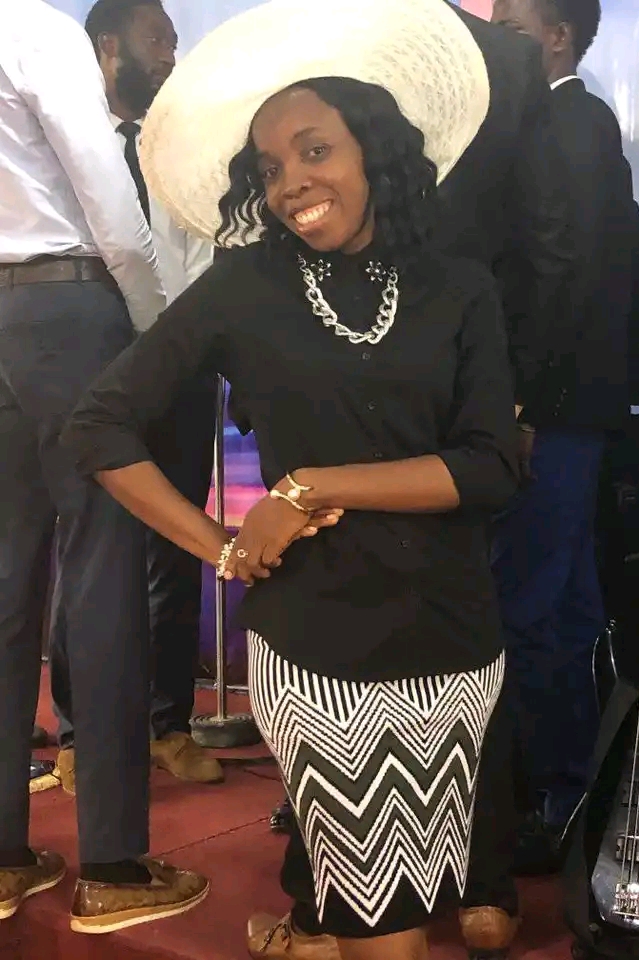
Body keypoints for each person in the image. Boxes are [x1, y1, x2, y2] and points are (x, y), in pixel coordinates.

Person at [61, 1, 520, 957]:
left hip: (453, 645)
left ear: (374, 150)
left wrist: (309, 486)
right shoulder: (245, 289)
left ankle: (308, 934)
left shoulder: (459, 287)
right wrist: (218, 546)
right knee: (387, 928)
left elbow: (489, 465)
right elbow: (98, 425)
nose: (291, 184)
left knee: (400, 902)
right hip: (319, 649)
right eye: (270, 169)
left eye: (315, 151)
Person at [268, 2, 578, 956]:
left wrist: (513, 399)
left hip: (436, 377)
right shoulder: (492, 60)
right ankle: (414, 892)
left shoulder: (485, 61)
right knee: (410, 625)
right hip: (405, 373)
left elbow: (553, 239)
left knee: (426, 625)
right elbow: (549, 239)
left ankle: (370, 897)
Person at [0, 0, 208, 933]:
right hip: (70, 308)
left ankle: (6, 857)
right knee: (106, 575)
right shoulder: (35, 30)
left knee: (7, 586)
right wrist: (155, 339)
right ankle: (115, 864)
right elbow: (111, 212)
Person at [488, 0, 639, 874]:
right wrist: (610, 388)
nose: (495, 42)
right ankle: (577, 794)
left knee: (534, 609)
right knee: (567, 608)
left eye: (510, 27)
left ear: (557, 38)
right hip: (578, 411)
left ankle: (554, 801)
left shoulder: (561, 124)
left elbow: (560, 272)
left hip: (551, 414)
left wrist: (532, 404)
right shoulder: (586, 126)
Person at [51, 0, 221, 796]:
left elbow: (202, 258)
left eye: (176, 42)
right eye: (158, 41)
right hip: (90, 372)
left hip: (177, 373)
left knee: (178, 548)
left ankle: (167, 724)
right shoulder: (61, 144)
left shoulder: (176, 152)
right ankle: (81, 734)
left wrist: (185, 348)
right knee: (88, 552)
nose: (171, 57)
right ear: (108, 46)